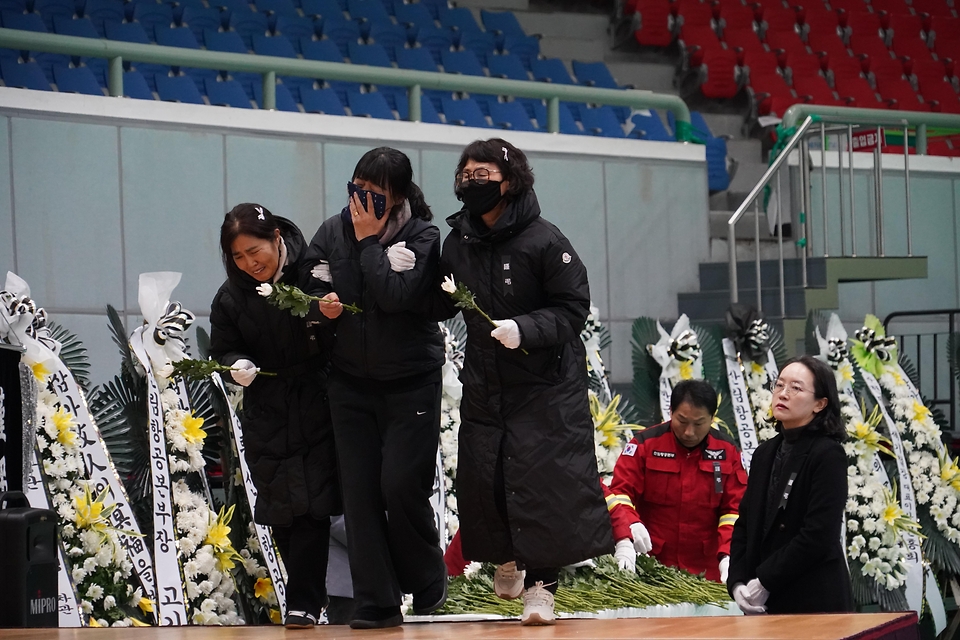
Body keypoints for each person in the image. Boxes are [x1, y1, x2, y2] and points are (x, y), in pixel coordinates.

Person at [429, 138, 613, 626]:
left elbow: (572, 310)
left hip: (544, 387)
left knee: (544, 486)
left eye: (482, 173)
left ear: (509, 180)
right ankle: (505, 555)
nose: (472, 181)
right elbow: (440, 303)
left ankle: (543, 588)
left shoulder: (546, 240)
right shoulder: (458, 242)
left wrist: (524, 329)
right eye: (465, 173)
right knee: (485, 477)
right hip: (487, 385)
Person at [302, 147, 447, 630]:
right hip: (350, 383)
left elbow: (396, 297)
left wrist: (368, 246)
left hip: (411, 381)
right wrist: (319, 303)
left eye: (375, 194)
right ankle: (377, 602)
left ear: (399, 197)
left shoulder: (423, 235)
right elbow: (309, 282)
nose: (361, 201)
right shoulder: (331, 229)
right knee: (360, 495)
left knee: (401, 485)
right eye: (356, 187)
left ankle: (426, 571)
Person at [209, 203, 339, 629]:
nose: (250, 264)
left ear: (276, 239)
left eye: (255, 251)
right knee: (282, 507)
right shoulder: (230, 298)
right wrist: (235, 364)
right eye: (239, 258)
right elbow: (222, 350)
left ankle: (304, 602)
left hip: (318, 401)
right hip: (267, 408)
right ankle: (309, 599)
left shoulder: (313, 272)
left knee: (313, 507)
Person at [727, 355, 853, 615]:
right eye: (779, 385)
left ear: (820, 404)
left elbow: (818, 535)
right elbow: (745, 524)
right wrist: (737, 581)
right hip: (763, 601)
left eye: (796, 388)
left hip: (812, 598)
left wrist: (766, 580)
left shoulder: (827, 454)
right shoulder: (765, 452)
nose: (783, 394)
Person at [606, 379, 747, 582]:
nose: (689, 432)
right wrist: (632, 524)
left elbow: (735, 510)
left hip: (708, 572)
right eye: (682, 421)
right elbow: (620, 494)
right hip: (652, 567)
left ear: (712, 418)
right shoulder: (645, 445)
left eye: (699, 424)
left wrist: (728, 555)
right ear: (670, 411)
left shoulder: (727, 452)